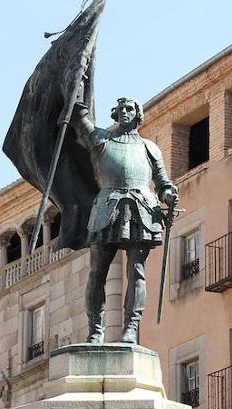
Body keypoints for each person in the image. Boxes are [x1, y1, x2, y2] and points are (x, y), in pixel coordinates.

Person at [71, 95, 179, 345]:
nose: (125, 112)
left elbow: (162, 183)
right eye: (120, 109)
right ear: (115, 114)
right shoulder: (101, 140)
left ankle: (131, 327)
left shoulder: (150, 148)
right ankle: (95, 329)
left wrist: (170, 194)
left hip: (141, 208)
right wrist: (76, 85)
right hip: (107, 207)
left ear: (138, 115)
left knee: (137, 271)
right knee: (97, 272)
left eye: (130, 109)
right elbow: (80, 120)